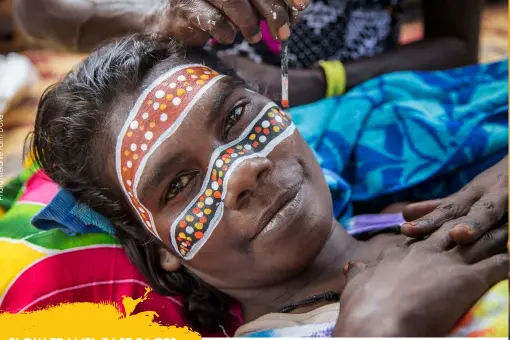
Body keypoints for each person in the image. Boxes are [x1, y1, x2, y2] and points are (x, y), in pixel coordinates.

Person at [31, 35, 507, 337]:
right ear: (161, 251)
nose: (242, 171)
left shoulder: (428, 212)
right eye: (178, 183)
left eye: (236, 115)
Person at [14, 0, 483, 106]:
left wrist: (326, 81)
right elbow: (35, 13)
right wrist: (158, 15)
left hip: (356, 106)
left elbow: (458, 48)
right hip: (182, 111)